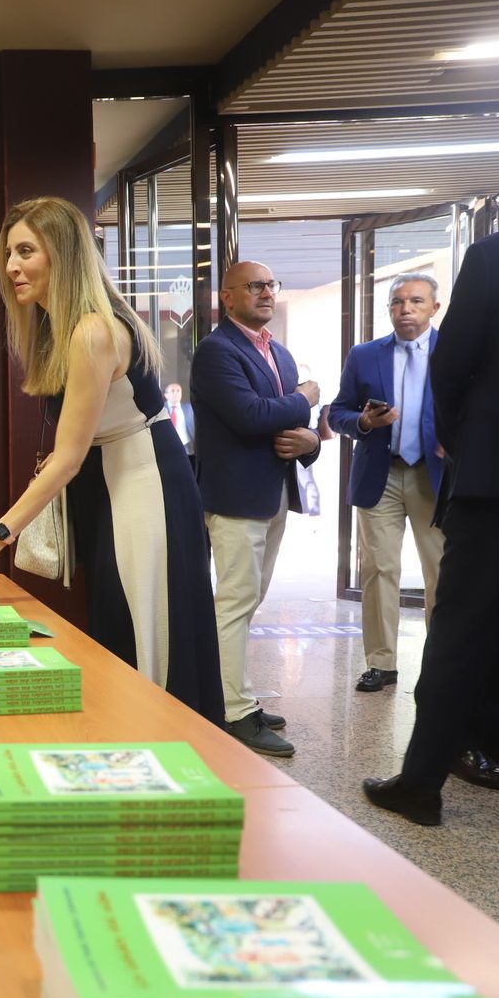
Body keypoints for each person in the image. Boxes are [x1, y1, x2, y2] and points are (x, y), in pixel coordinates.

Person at [0, 196, 223, 723]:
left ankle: (163, 746)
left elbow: (66, 459)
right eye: (8, 254)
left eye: (26, 251)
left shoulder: (93, 331)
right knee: (117, 627)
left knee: (146, 639)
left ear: (63, 253)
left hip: (143, 484)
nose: (11, 267)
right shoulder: (60, 327)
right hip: (110, 482)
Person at [364, 165, 499, 826]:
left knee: (459, 629)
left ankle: (421, 783)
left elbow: (449, 373)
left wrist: (459, 443)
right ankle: (494, 741)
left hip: (497, 482)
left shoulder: (493, 258)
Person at [191, 261, 320, 757]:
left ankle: (232, 695)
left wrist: (311, 440)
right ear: (227, 296)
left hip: (274, 494)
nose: (266, 292)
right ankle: (234, 711)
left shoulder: (279, 353)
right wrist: (306, 398)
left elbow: (291, 430)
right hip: (235, 499)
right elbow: (249, 416)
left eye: (270, 285)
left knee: (249, 601)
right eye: (254, 286)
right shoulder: (216, 350)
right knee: (235, 602)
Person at [327, 275, 447, 693]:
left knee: (441, 571)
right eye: (397, 302)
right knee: (379, 568)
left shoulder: (453, 351)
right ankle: (381, 663)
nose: (405, 309)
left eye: (416, 301)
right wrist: (362, 421)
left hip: (435, 475)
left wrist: (458, 440)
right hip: (381, 473)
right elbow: (337, 413)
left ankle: (441, 664)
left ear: (434, 307)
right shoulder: (364, 355)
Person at [164, 382, 194, 460]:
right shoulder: (161, 409)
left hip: (185, 446)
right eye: (173, 391)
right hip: (166, 446)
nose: (176, 393)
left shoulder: (189, 408)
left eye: (178, 391)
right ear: (166, 395)